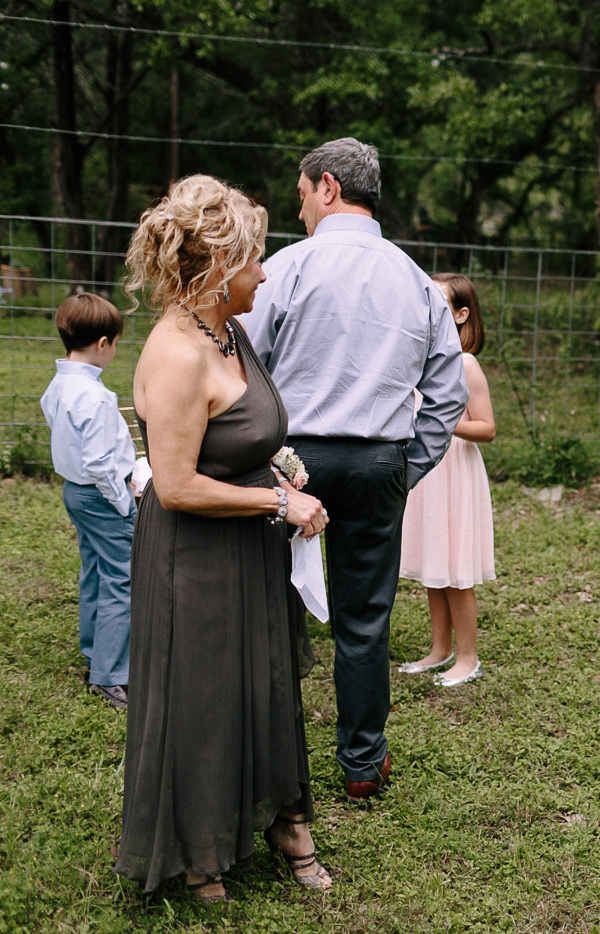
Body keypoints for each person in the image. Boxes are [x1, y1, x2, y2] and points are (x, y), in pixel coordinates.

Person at [114, 175, 332, 900]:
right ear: (214, 267)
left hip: (248, 544)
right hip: (195, 557)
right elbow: (174, 485)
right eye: (254, 261)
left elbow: (239, 433)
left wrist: (280, 477)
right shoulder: (175, 357)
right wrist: (278, 499)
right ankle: (198, 849)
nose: (264, 273)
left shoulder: (228, 330)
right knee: (205, 698)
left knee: (265, 684)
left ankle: (286, 823)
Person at [243, 137, 468, 803]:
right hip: (378, 459)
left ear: (328, 186)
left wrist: (261, 457)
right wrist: (406, 463)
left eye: (302, 193)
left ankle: (268, 755)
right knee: (364, 617)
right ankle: (362, 762)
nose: (301, 207)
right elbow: (448, 394)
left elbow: (245, 369)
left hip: (289, 462)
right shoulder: (417, 282)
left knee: (270, 605)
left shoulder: (286, 268)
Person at [40, 293, 138, 711]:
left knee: (95, 570)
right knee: (122, 577)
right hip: (102, 495)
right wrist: (123, 498)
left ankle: (93, 647)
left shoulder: (58, 385)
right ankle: (110, 674)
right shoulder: (96, 397)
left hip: (73, 491)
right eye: (115, 342)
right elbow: (99, 461)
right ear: (103, 343)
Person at [398, 273, 496, 686]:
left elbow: (487, 428)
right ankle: (439, 650)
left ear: (461, 314)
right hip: (428, 472)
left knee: (455, 567)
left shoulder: (465, 363)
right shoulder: (421, 359)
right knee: (434, 564)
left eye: (440, 302)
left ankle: (468, 657)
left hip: (455, 470)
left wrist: (442, 424)